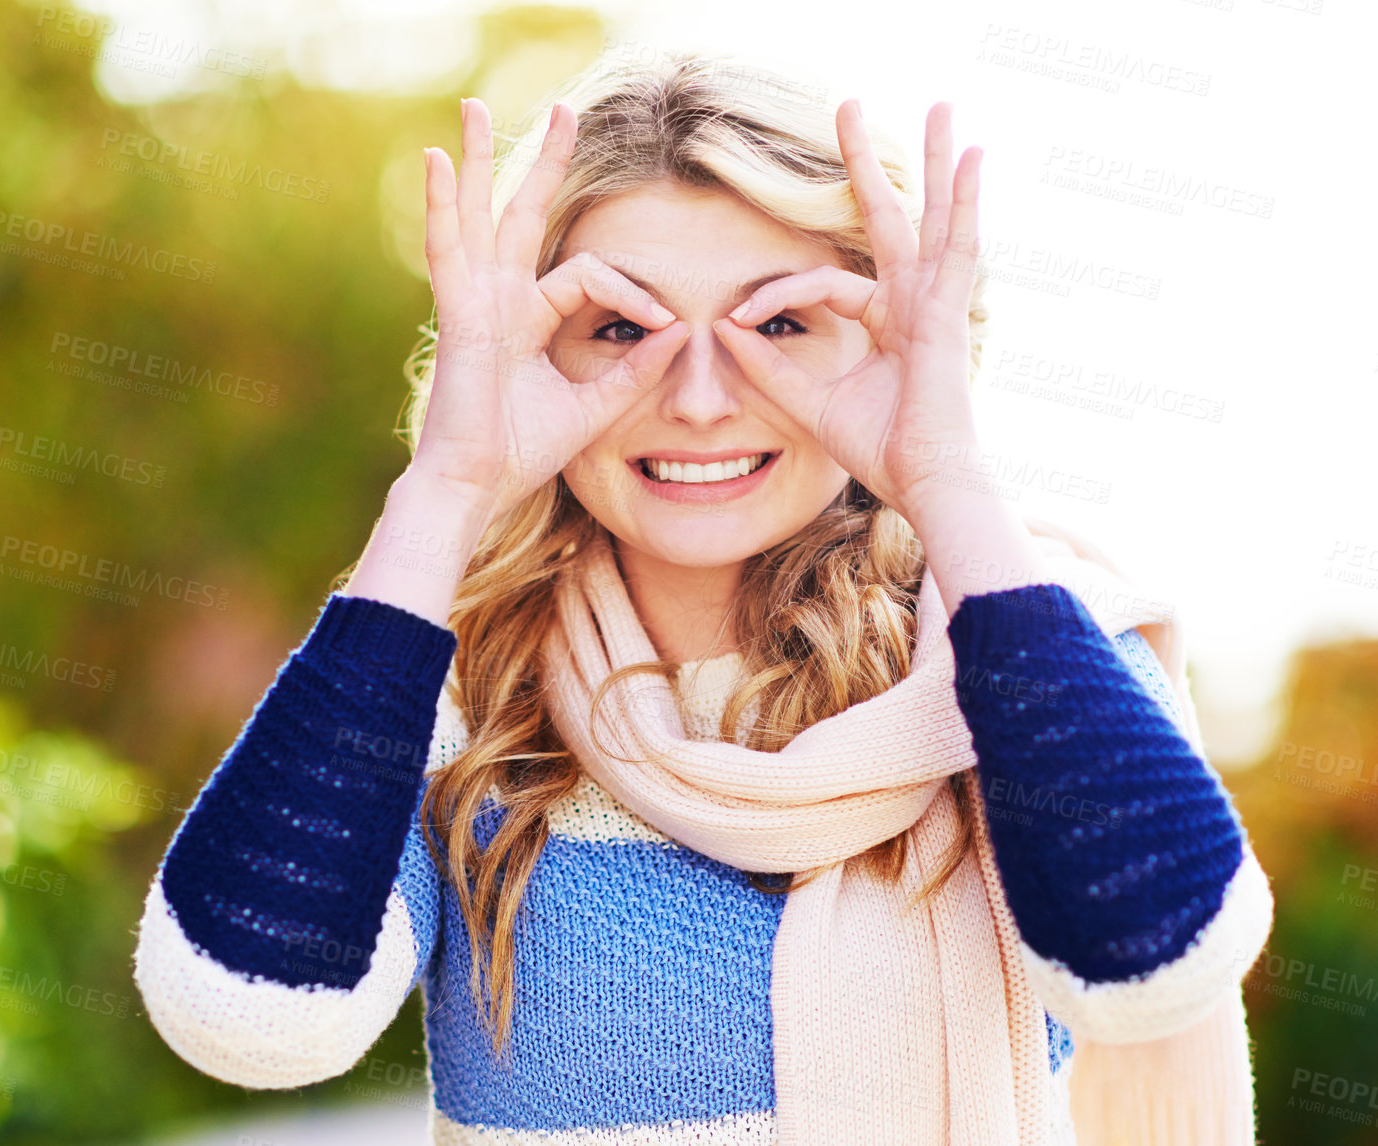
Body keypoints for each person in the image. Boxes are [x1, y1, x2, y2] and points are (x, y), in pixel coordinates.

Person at [132, 51, 1273, 1145]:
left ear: (887, 338)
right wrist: (449, 488)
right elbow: (251, 1018)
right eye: (620, 328)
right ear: (531, 348)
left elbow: (1156, 964)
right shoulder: (454, 694)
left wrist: (945, 475)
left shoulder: (1027, 653)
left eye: (780, 324)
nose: (698, 400)